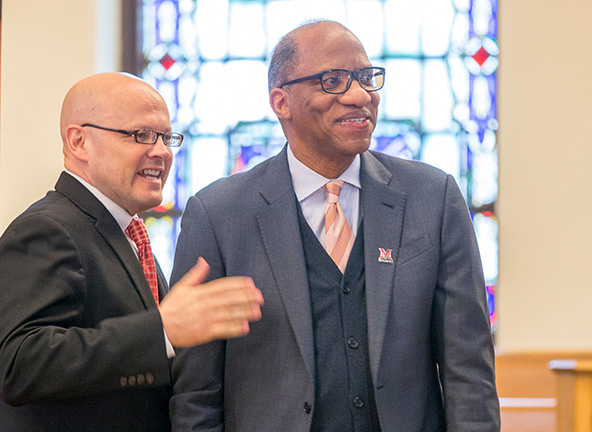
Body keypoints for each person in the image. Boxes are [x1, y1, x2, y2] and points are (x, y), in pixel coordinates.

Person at [170, 20, 500, 431]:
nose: (360, 95)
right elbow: (197, 394)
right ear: (281, 102)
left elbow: (468, 369)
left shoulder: (432, 197)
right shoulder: (218, 214)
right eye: (333, 81)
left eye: (366, 78)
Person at [0, 72, 265, 432]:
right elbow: (17, 365)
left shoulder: (128, 234)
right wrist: (162, 331)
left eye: (166, 137)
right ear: (79, 142)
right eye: (140, 135)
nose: (161, 151)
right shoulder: (47, 229)